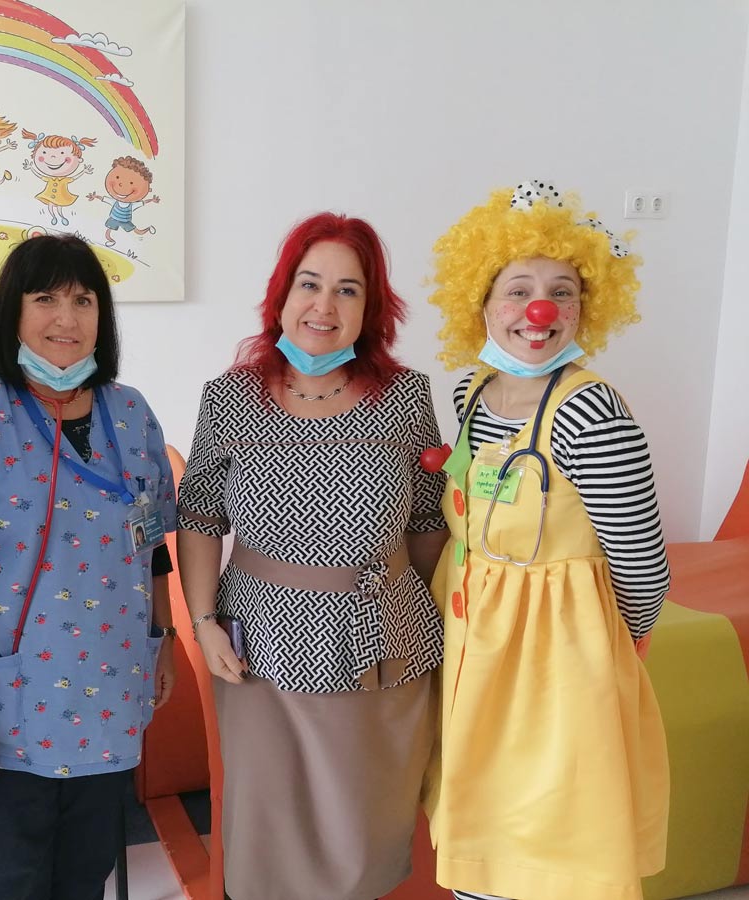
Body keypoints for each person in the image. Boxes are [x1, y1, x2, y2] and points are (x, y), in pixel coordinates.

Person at [176, 212, 449, 900]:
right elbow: (200, 515)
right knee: (271, 831)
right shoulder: (231, 398)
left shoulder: (406, 397)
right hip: (260, 646)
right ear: (282, 295)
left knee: (363, 834)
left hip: (380, 644)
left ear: (371, 308)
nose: (324, 305)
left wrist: (423, 616)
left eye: (348, 289)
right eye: (310, 283)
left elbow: (428, 518)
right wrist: (204, 623)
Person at [0, 233, 178, 900]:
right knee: (16, 879)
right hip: (10, 703)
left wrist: (164, 638)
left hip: (112, 690)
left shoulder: (131, 413)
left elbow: (152, 542)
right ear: (12, 312)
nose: (67, 317)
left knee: (88, 873)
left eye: (83, 300)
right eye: (46, 299)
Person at [424, 180, 671, 900]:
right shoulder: (471, 392)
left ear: (586, 308)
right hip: (474, 636)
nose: (541, 310)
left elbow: (641, 560)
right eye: (519, 291)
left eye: (563, 292)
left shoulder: (591, 411)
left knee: (548, 828)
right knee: (479, 819)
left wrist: (619, 639)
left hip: (556, 653)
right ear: (482, 303)